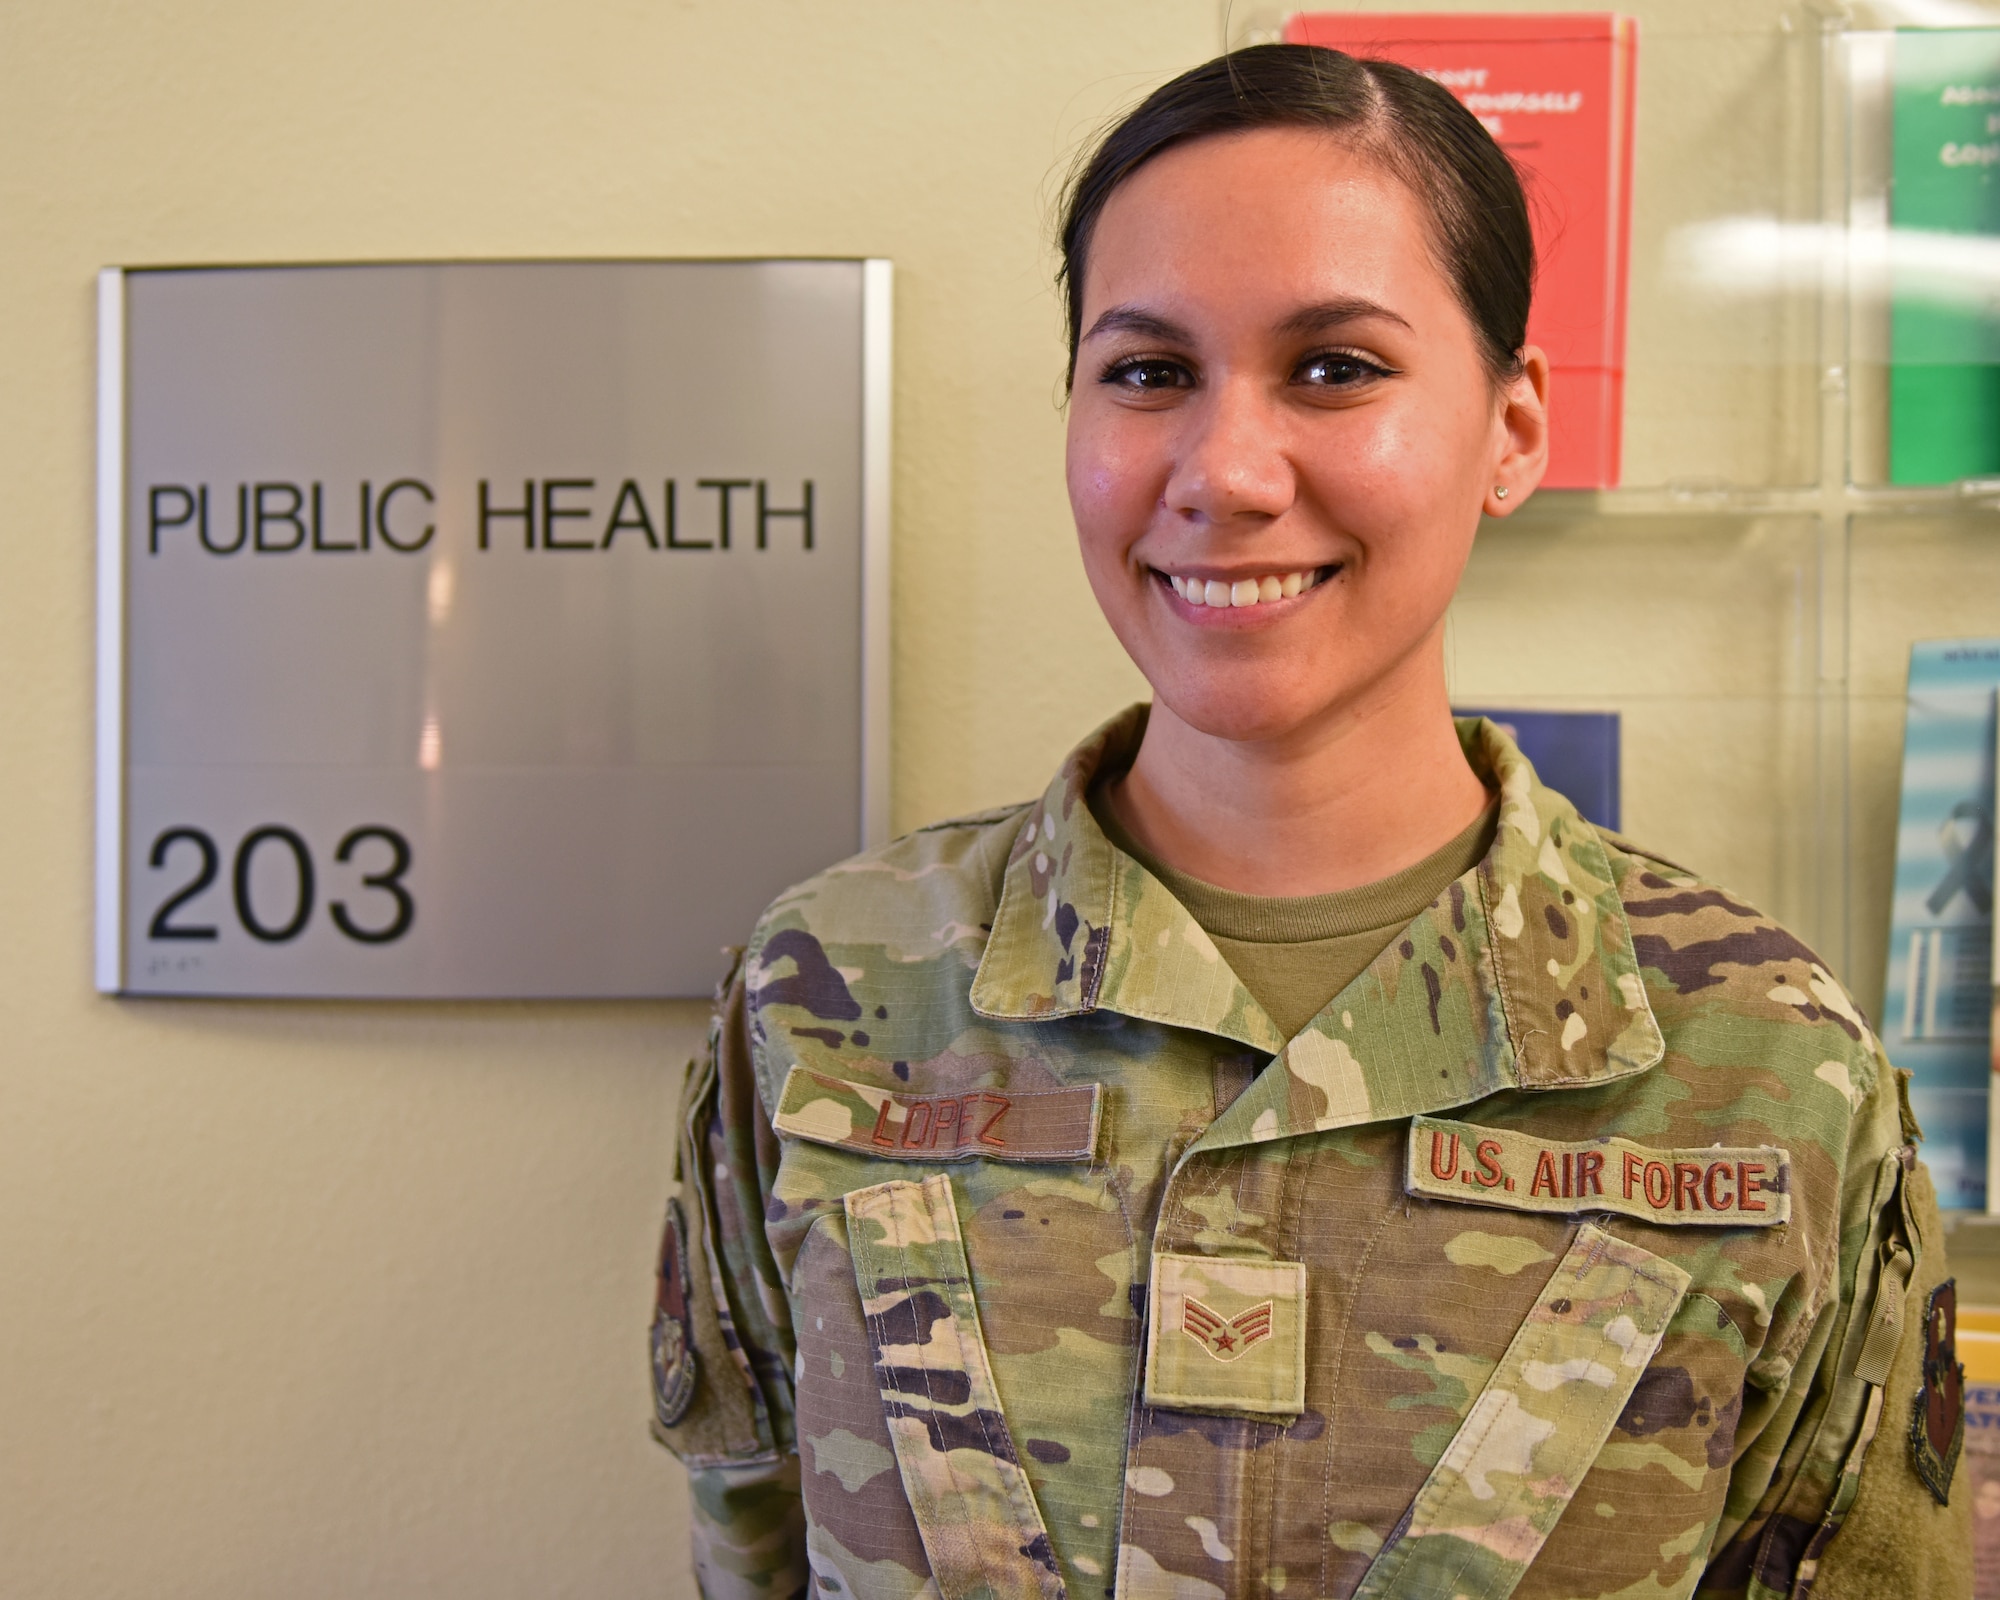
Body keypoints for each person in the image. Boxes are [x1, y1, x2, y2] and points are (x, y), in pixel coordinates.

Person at [648, 44, 1971, 1600]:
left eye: (1336, 368)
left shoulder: (1766, 1067)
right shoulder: (825, 999)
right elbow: (753, 1550)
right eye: (1147, 372)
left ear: (1515, 427)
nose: (1225, 471)